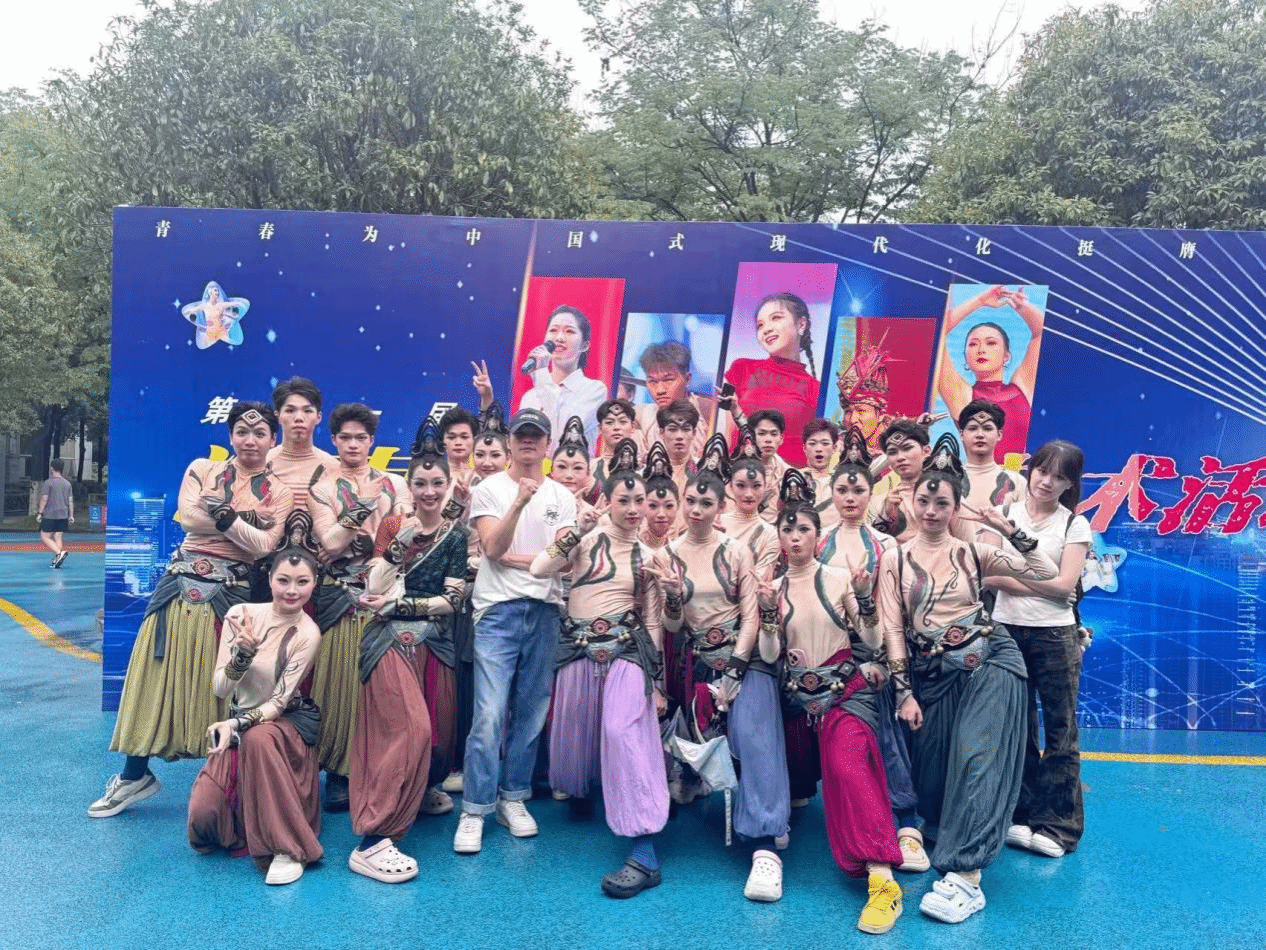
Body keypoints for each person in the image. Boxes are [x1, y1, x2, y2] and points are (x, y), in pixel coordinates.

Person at [875, 435, 1058, 924]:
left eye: (942, 503)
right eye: (924, 501)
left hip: (991, 660)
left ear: (956, 507)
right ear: (911, 502)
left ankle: (965, 878)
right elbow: (892, 629)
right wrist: (905, 692)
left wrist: (1007, 529)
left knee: (979, 759)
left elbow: (1045, 571)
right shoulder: (894, 557)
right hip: (934, 674)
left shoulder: (974, 552)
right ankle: (948, 834)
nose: (931, 511)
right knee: (932, 777)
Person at [90, 402, 293, 817]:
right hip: (177, 587)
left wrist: (219, 513)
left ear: (273, 439)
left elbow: (263, 547)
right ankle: (133, 775)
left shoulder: (281, 491)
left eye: (259, 433)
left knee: (231, 687)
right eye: (242, 432)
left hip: (233, 595)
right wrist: (245, 519)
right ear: (230, 435)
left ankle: (230, 786)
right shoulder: (203, 467)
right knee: (152, 678)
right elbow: (189, 520)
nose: (250, 440)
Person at [532, 442, 670, 898]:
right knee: (574, 730)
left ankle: (644, 849)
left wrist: (657, 682)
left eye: (640, 501)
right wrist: (577, 530)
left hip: (628, 649)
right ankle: (584, 790)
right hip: (576, 647)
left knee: (621, 730)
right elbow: (541, 567)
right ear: (606, 499)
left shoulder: (650, 556)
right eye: (623, 500)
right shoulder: (585, 538)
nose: (633, 509)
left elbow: (654, 622)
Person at [774, 472, 904, 933]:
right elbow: (769, 653)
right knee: (784, 776)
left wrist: (865, 598)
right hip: (796, 701)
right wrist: (768, 613)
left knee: (849, 767)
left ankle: (884, 880)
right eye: (787, 529)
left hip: (845, 693)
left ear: (818, 535)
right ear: (779, 537)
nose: (795, 537)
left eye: (803, 529)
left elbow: (871, 637)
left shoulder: (837, 577)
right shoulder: (773, 586)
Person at [656, 458, 791, 902]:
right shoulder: (667, 555)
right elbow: (674, 626)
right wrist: (672, 598)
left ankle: (765, 846)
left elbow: (752, 616)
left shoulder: (736, 550)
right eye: (691, 501)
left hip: (744, 658)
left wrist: (734, 668)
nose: (697, 510)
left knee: (755, 737)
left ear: (721, 506)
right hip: (698, 661)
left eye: (706, 503)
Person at [454, 408, 577, 854]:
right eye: (521, 435)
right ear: (509, 441)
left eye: (536, 436)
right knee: (488, 714)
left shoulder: (563, 495)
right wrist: (521, 503)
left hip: (545, 612)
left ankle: (514, 797)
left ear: (547, 445)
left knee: (531, 713)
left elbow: (563, 558)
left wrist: (524, 560)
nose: (528, 442)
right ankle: (475, 808)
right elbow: (492, 546)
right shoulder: (490, 488)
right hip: (497, 612)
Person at [347, 437, 469, 882]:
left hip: (433, 642)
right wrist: (400, 541)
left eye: (437, 483)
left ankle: (416, 792)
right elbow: (374, 584)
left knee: (438, 735)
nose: (429, 491)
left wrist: (400, 605)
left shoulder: (456, 537)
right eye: (421, 483)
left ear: (448, 485)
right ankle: (372, 838)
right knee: (408, 729)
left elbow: (452, 600)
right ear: (409, 486)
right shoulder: (393, 524)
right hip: (387, 642)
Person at [816, 429, 927, 874]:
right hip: (828, 659)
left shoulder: (886, 545)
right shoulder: (816, 541)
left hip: (875, 654)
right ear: (831, 493)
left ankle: (906, 825)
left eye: (858, 490)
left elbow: (892, 611)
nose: (850, 498)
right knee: (846, 751)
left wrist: (891, 671)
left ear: (870, 493)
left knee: (889, 740)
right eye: (842, 490)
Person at [186, 547, 323, 885]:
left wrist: (234, 725)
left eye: (302, 582)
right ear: (270, 579)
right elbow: (220, 688)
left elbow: (278, 703)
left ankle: (287, 847)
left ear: (314, 584)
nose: (292, 590)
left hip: (282, 727)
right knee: (204, 819)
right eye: (284, 580)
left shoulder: (308, 634)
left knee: (259, 738)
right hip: (239, 723)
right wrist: (243, 655)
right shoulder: (241, 614)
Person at [985, 440, 1090, 860]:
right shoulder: (1003, 513)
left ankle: (1059, 825)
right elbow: (989, 576)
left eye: (1059, 477)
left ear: (1070, 484)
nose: (1047, 481)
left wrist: (1024, 582)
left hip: (1055, 636)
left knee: (1061, 730)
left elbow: (1067, 588)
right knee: (1019, 727)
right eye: (1043, 470)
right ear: (1030, 470)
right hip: (1006, 630)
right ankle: (1023, 814)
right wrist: (1045, 585)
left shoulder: (1074, 525)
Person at [308, 403, 411, 811]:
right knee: (339, 685)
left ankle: (387, 773)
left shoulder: (395, 483)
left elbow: (406, 537)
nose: (353, 444)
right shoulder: (322, 486)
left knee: (386, 691)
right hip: (340, 599)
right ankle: (339, 771)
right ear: (334, 440)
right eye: (345, 438)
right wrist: (364, 508)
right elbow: (330, 542)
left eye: (361, 438)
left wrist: (365, 545)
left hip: (387, 593)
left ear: (372, 441)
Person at [936, 285, 1043, 463]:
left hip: (1028, 477)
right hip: (983, 478)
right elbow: (938, 332)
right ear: (966, 357)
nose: (981, 350)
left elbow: (1040, 333)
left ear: (1006, 356)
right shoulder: (962, 396)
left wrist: (1025, 309)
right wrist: (979, 301)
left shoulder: (1023, 387)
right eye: (973, 344)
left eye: (991, 343)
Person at [721, 292, 821, 468]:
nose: (766, 329)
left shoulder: (816, 389)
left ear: (801, 324)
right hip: (741, 474)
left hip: (789, 479)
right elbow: (727, 438)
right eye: (760, 325)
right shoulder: (740, 368)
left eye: (776, 318)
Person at [520, 305, 609, 453]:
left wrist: (541, 372)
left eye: (569, 331)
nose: (559, 338)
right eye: (553, 330)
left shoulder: (594, 390)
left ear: (585, 345)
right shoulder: (530, 396)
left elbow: (562, 435)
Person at [266, 377, 334, 550]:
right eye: (290, 410)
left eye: (307, 411)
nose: (298, 418)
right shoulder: (261, 463)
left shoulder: (333, 467)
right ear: (277, 415)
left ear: (318, 417)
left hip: (317, 558)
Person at [635, 341, 714, 460]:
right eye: (653, 381)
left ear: (687, 379)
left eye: (668, 380)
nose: (660, 390)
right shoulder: (642, 416)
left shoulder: (707, 410)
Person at [958, 400, 1025, 524]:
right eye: (972, 428)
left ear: (999, 434)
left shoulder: (1017, 482)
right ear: (962, 434)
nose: (980, 435)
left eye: (987, 428)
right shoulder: (949, 479)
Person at [802, 418, 841, 531]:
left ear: (834, 448)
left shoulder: (843, 482)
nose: (819, 449)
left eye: (825, 443)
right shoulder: (793, 478)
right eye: (812, 443)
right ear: (804, 448)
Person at [639, 443, 680, 551]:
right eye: (653, 506)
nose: (661, 514)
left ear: (678, 505)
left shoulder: (679, 549)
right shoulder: (630, 546)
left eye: (669, 506)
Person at [592, 399, 639, 486]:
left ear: (633, 427)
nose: (616, 427)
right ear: (600, 428)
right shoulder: (590, 468)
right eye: (609, 422)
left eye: (623, 422)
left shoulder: (643, 469)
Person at [37, 459, 74, 568]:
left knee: (44, 536)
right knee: (58, 537)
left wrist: (40, 513)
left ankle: (59, 553)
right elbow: (70, 501)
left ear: (52, 468)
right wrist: (71, 515)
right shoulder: (67, 484)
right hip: (63, 514)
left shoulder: (48, 483)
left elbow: (44, 499)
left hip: (51, 514)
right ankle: (58, 559)